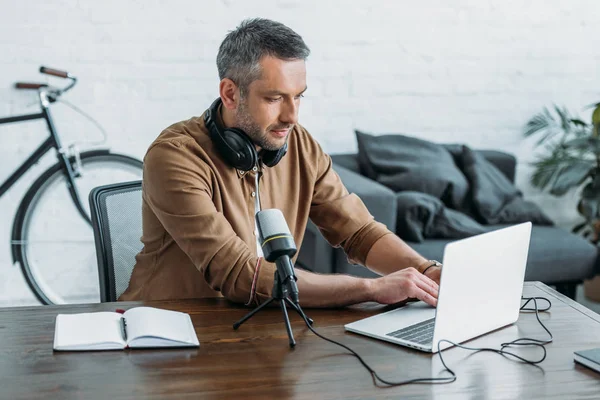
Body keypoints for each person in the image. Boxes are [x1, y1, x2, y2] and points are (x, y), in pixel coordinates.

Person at [120, 18, 441, 308]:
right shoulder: (175, 157)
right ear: (230, 94)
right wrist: (372, 289)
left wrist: (429, 274)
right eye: (274, 98)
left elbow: (360, 233)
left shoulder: (299, 145)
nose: (292, 116)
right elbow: (238, 274)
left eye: (298, 96)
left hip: (265, 327)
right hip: (172, 338)